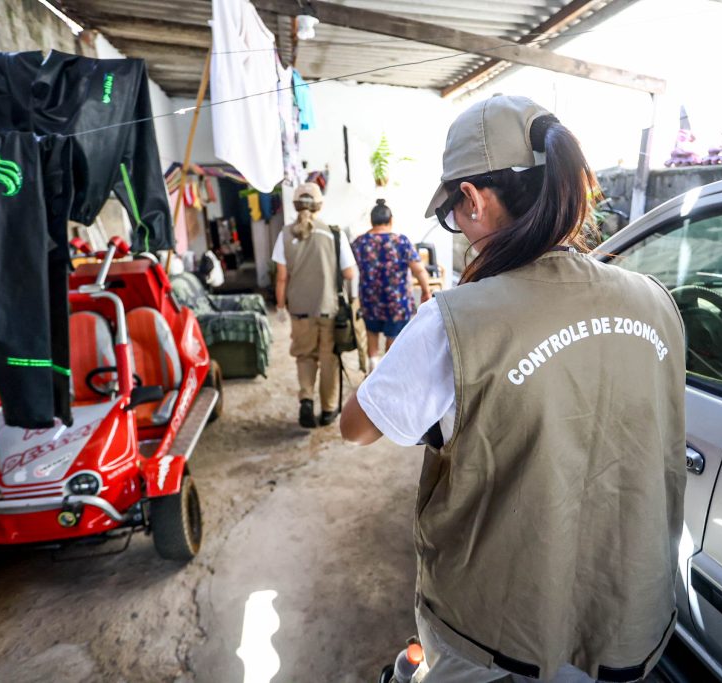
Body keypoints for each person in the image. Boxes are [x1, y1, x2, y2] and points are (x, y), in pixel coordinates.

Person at [340, 95, 686, 682]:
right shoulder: (654, 300)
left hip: (496, 633)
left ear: (471, 199)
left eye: (453, 214)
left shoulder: (457, 321)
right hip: (624, 617)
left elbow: (357, 425)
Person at [273, 182, 357, 428]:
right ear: (320, 205)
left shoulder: (285, 234)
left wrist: (280, 307)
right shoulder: (334, 233)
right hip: (328, 308)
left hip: (299, 309)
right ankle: (329, 409)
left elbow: (281, 276)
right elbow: (350, 273)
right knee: (328, 357)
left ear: (295, 205)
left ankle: (307, 399)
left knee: (305, 357)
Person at [352, 199, 432, 369]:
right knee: (394, 339)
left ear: (372, 221)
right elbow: (419, 270)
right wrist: (426, 291)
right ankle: (387, 371)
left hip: (370, 300)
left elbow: (348, 270)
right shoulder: (401, 241)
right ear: (391, 220)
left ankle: (373, 365)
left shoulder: (360, 243)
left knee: (371, 333)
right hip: (397, 303)